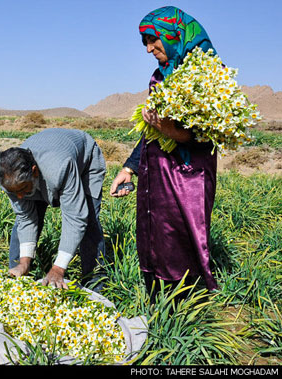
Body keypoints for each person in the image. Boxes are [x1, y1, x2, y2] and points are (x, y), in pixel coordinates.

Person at [109, 6, 219, 300]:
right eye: (144, 42)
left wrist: (173, 132)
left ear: (173, 34)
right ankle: (157, 304)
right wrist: (129, 168)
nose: (148, 49)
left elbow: (210, 132)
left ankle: (188, 309)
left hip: (187, 179)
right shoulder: (160, 77)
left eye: (152, 39)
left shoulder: (205, 76)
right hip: (155, 174)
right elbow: (151, 132)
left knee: (181, 239)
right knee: (155, 235)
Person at [0, 128, 106, 290]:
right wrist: (24, 262)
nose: (18, 197)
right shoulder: (9, 179)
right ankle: (17, 278)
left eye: (22, 189)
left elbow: (75, 218)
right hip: (42, 169)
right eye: (13, 192)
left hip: (85, 164)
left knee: (89, 223)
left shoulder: (59, 167)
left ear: (34, 171)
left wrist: (58, 268)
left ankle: (95, 285)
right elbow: (26, 219)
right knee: (21, 224)